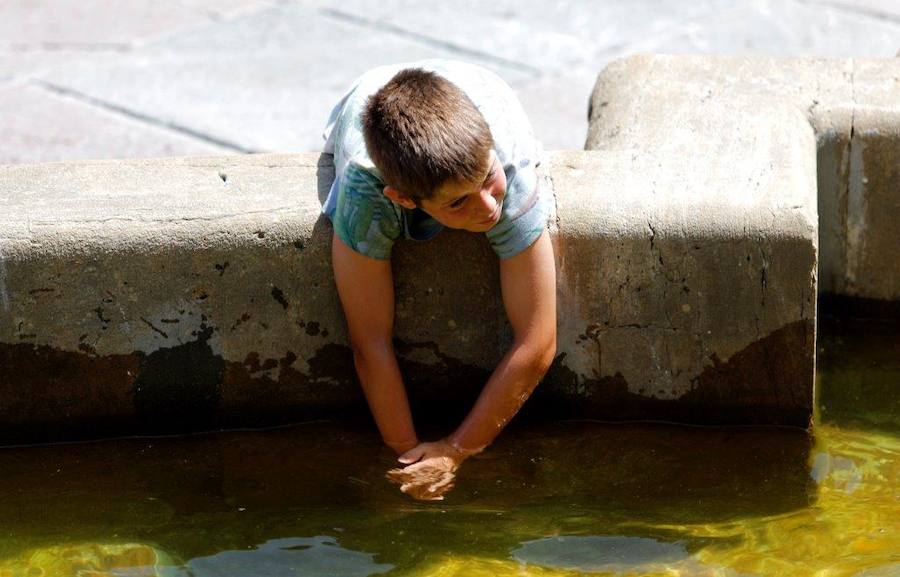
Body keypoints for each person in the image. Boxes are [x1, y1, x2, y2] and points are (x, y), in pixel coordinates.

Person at [321, 59, 557, 500]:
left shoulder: (510, 165)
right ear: (403, 199)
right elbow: (369, 343)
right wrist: (407, 453)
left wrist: (455, 451)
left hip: (478, 87)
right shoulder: (367, 192)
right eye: (459, 204)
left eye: (489, 181)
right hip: (364, 95)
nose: (488, 208)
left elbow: (538, 341)